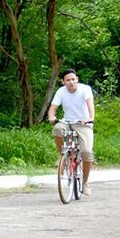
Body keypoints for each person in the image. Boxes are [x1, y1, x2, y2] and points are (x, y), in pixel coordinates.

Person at [47, 68, 95, 196]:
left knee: (87, 152)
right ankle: (63, 155)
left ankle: (85, 183)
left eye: (73, 79)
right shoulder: (61, 91)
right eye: (68, 80)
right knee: (57, 129)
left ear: (77, 79)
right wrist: (52, 117)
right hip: (67, 123)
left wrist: (90, 118)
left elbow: (90, 104)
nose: (71, 82)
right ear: (63, 82)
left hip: (83, 124)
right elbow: (53, 108)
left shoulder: (85, 89)